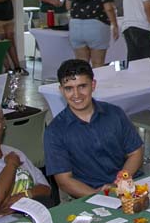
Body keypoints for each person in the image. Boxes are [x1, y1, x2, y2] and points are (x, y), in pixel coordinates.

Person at [44, 59, 143, 198]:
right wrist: (99, 195)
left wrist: (120, 183)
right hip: (89, 195)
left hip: (128, 184)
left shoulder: (115, 114)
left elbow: (135, 152)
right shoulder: (55, 131)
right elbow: (64, 181)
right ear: (61, 90)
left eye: (82, 86)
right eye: (69, 88)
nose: (76, 94)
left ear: (93, 85)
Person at [66, 0, 119, 68]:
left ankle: (81, 84)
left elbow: (67, 6)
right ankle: (97, 84)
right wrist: (114, 25)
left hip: (76, 26)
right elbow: (108, 8)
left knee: (81, 63)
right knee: (98, 63)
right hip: (96, 26)